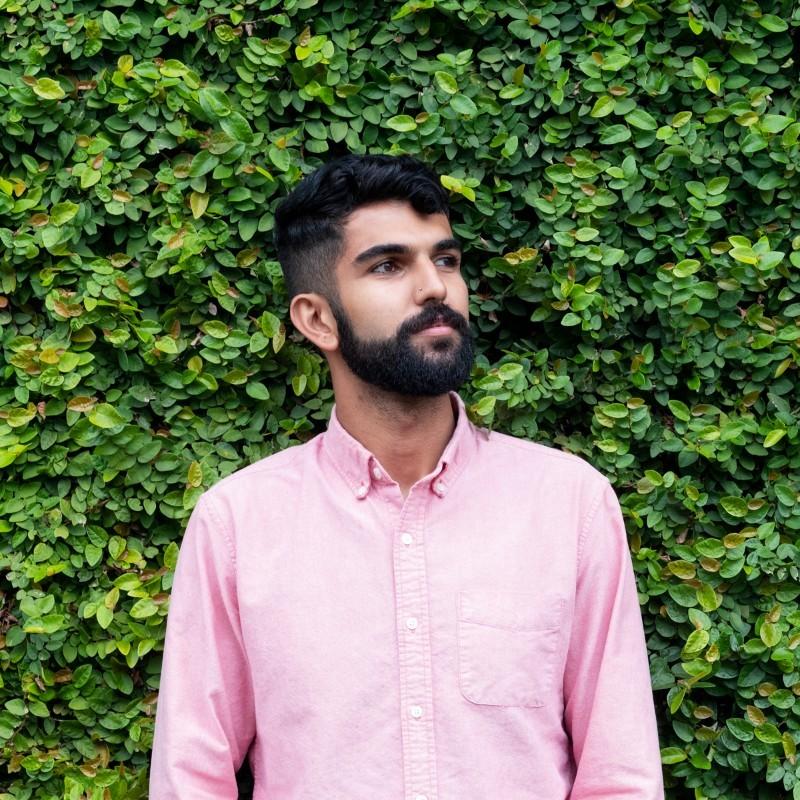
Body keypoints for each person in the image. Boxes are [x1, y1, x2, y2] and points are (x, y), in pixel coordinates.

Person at [149, 154, 664, 799]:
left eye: (444, 260)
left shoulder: (567, 505)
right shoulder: (239, 525)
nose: (433, 288)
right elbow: (190, 778)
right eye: (389, 266)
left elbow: (620, 775)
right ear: (317, 319)